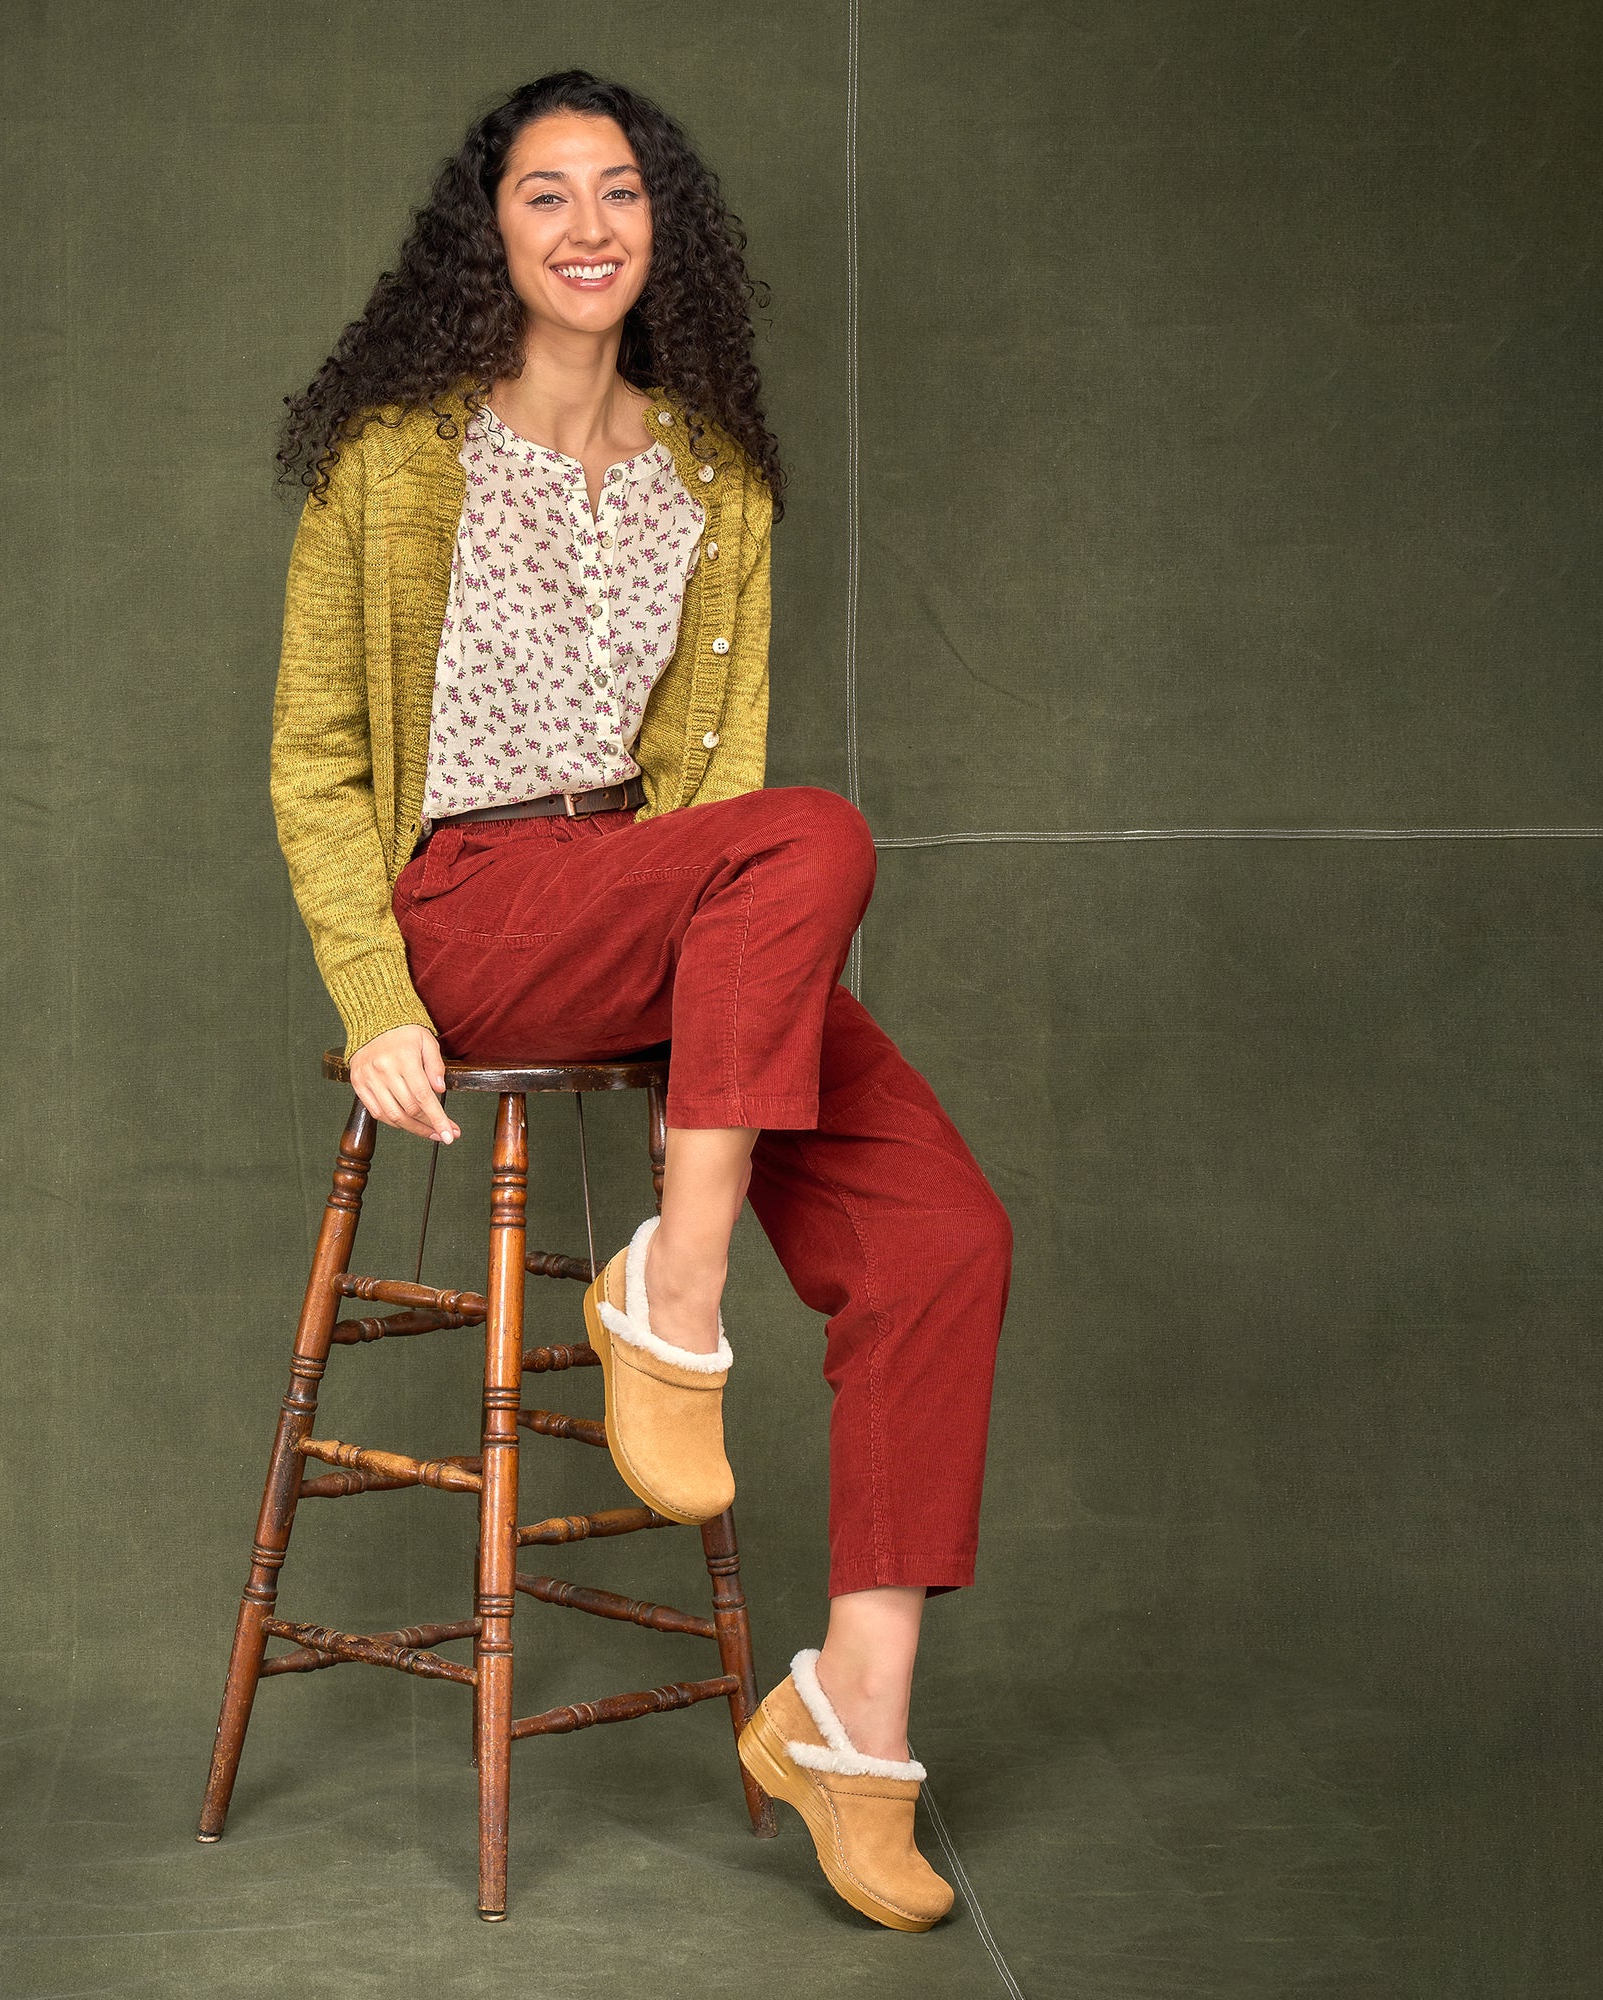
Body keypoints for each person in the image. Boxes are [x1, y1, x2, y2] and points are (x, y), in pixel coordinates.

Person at [268, 68, 1013, 1933]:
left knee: (945, 1236)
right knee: (813, 838)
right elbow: (317, 758)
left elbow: (717, 796)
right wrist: (372, 990)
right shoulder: (397, 459)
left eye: (620, 192)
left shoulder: (717, 482)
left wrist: (718, 973)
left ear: (661, 226)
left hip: (678, 908)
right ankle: (671, 1312)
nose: (589, 225)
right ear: (489, 237)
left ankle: (850, 1722)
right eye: (545, 196)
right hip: (479, 901)